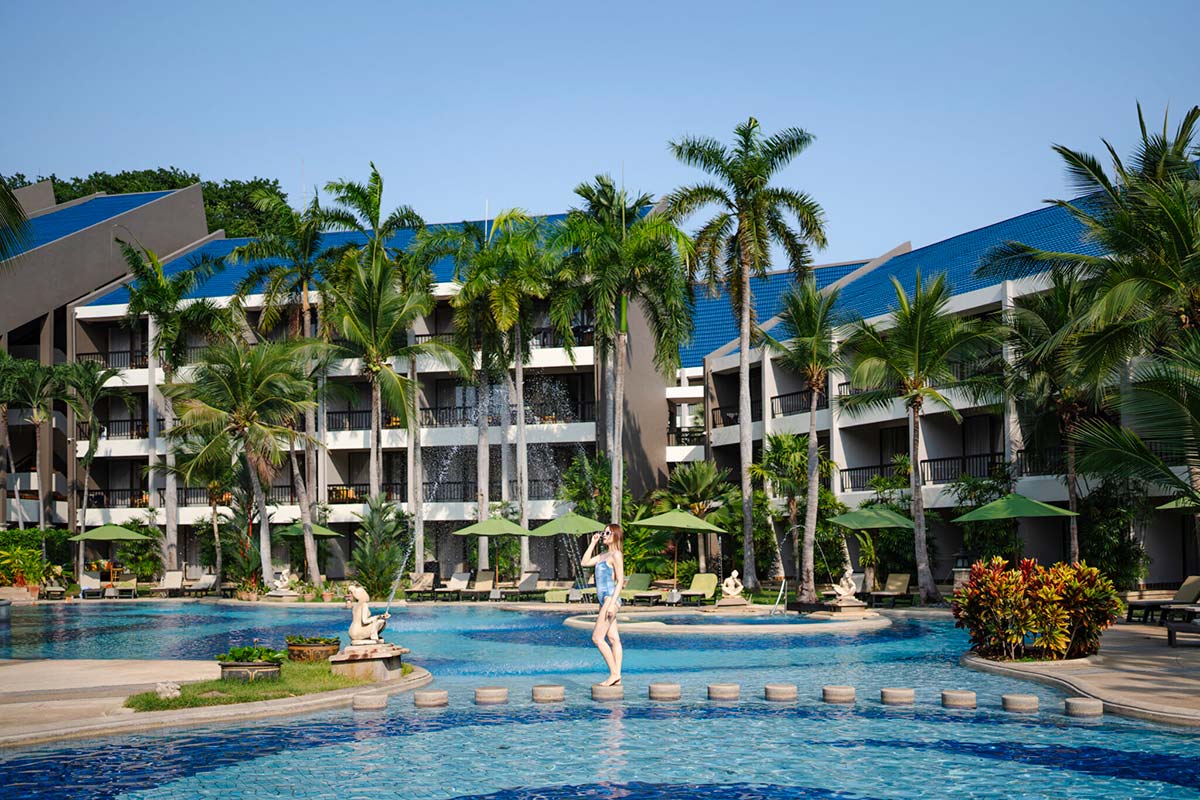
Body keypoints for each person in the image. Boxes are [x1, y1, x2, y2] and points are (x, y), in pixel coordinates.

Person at [580, 523, 625, 686]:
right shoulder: (602, 556)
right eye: (604, 533)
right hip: (603, 600)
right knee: (613, 638)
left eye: (607, 533)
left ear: (615, 536)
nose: (604, 535)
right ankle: (617, 676)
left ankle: (614, 674)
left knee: (597, 638)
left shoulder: (616, 555)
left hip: (609, 599)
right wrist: (592, 542)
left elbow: (620, 581)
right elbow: (584, 562)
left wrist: (612, 604)